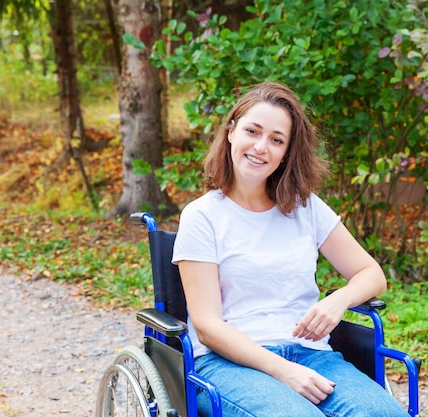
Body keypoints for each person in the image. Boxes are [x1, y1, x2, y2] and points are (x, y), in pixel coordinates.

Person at [172, 82, 409, 417]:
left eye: (276, 139)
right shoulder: (203, 216)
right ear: (230, 132)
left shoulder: (305, 208)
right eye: (252, 131)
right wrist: (283, 371)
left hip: (313, 355)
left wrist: (337, 300)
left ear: (286, 152)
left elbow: (371, 274)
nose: (260, 146)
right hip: (230, 364)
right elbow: (208, 325)